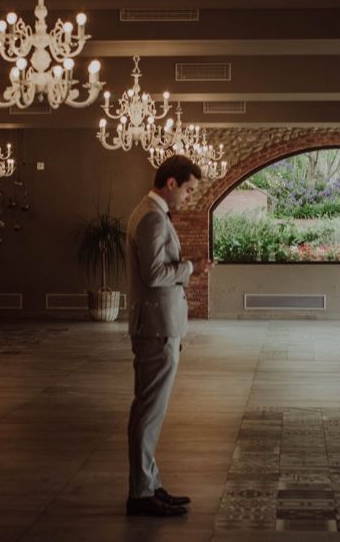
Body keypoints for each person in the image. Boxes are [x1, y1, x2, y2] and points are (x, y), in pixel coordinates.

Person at [125, 155, 212, 517]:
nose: (190, 198)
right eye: (189, 190)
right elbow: (156, 274)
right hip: (157, 328)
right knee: (148, 412)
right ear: (171, 183)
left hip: (158, 326)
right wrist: (191, 266)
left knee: (150, 411)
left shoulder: (150, 213)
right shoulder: (151, 217)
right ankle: (142, 494)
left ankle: (149, 484)